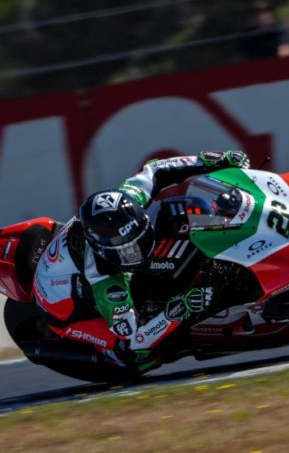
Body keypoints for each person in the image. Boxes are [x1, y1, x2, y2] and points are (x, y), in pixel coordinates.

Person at [33, 150, 250, 372]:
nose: (141, 251)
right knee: (135, 357)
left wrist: (210, 161)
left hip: (77, 257)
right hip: (65, 310)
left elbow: (156, 169)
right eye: (129, 251)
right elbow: (135, 340)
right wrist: (181, 307)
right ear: (105, 251)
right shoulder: (106, 284)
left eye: (141, 239)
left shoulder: (128, 199)